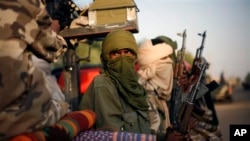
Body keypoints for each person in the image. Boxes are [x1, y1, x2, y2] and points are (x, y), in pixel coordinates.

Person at [79, 29, 191, 141]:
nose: (123, 58)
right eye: (116, 53)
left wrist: (165, 136)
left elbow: (141, 132)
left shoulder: (136, 86)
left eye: (127, 52)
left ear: (134, 56)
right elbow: (113, 136)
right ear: (106, 59)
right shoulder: (104, 85)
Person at [0, 0, 70, 140]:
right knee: (63, 105)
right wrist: (54, 29)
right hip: (13, 119)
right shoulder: (26, 3)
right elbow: (51, 48)